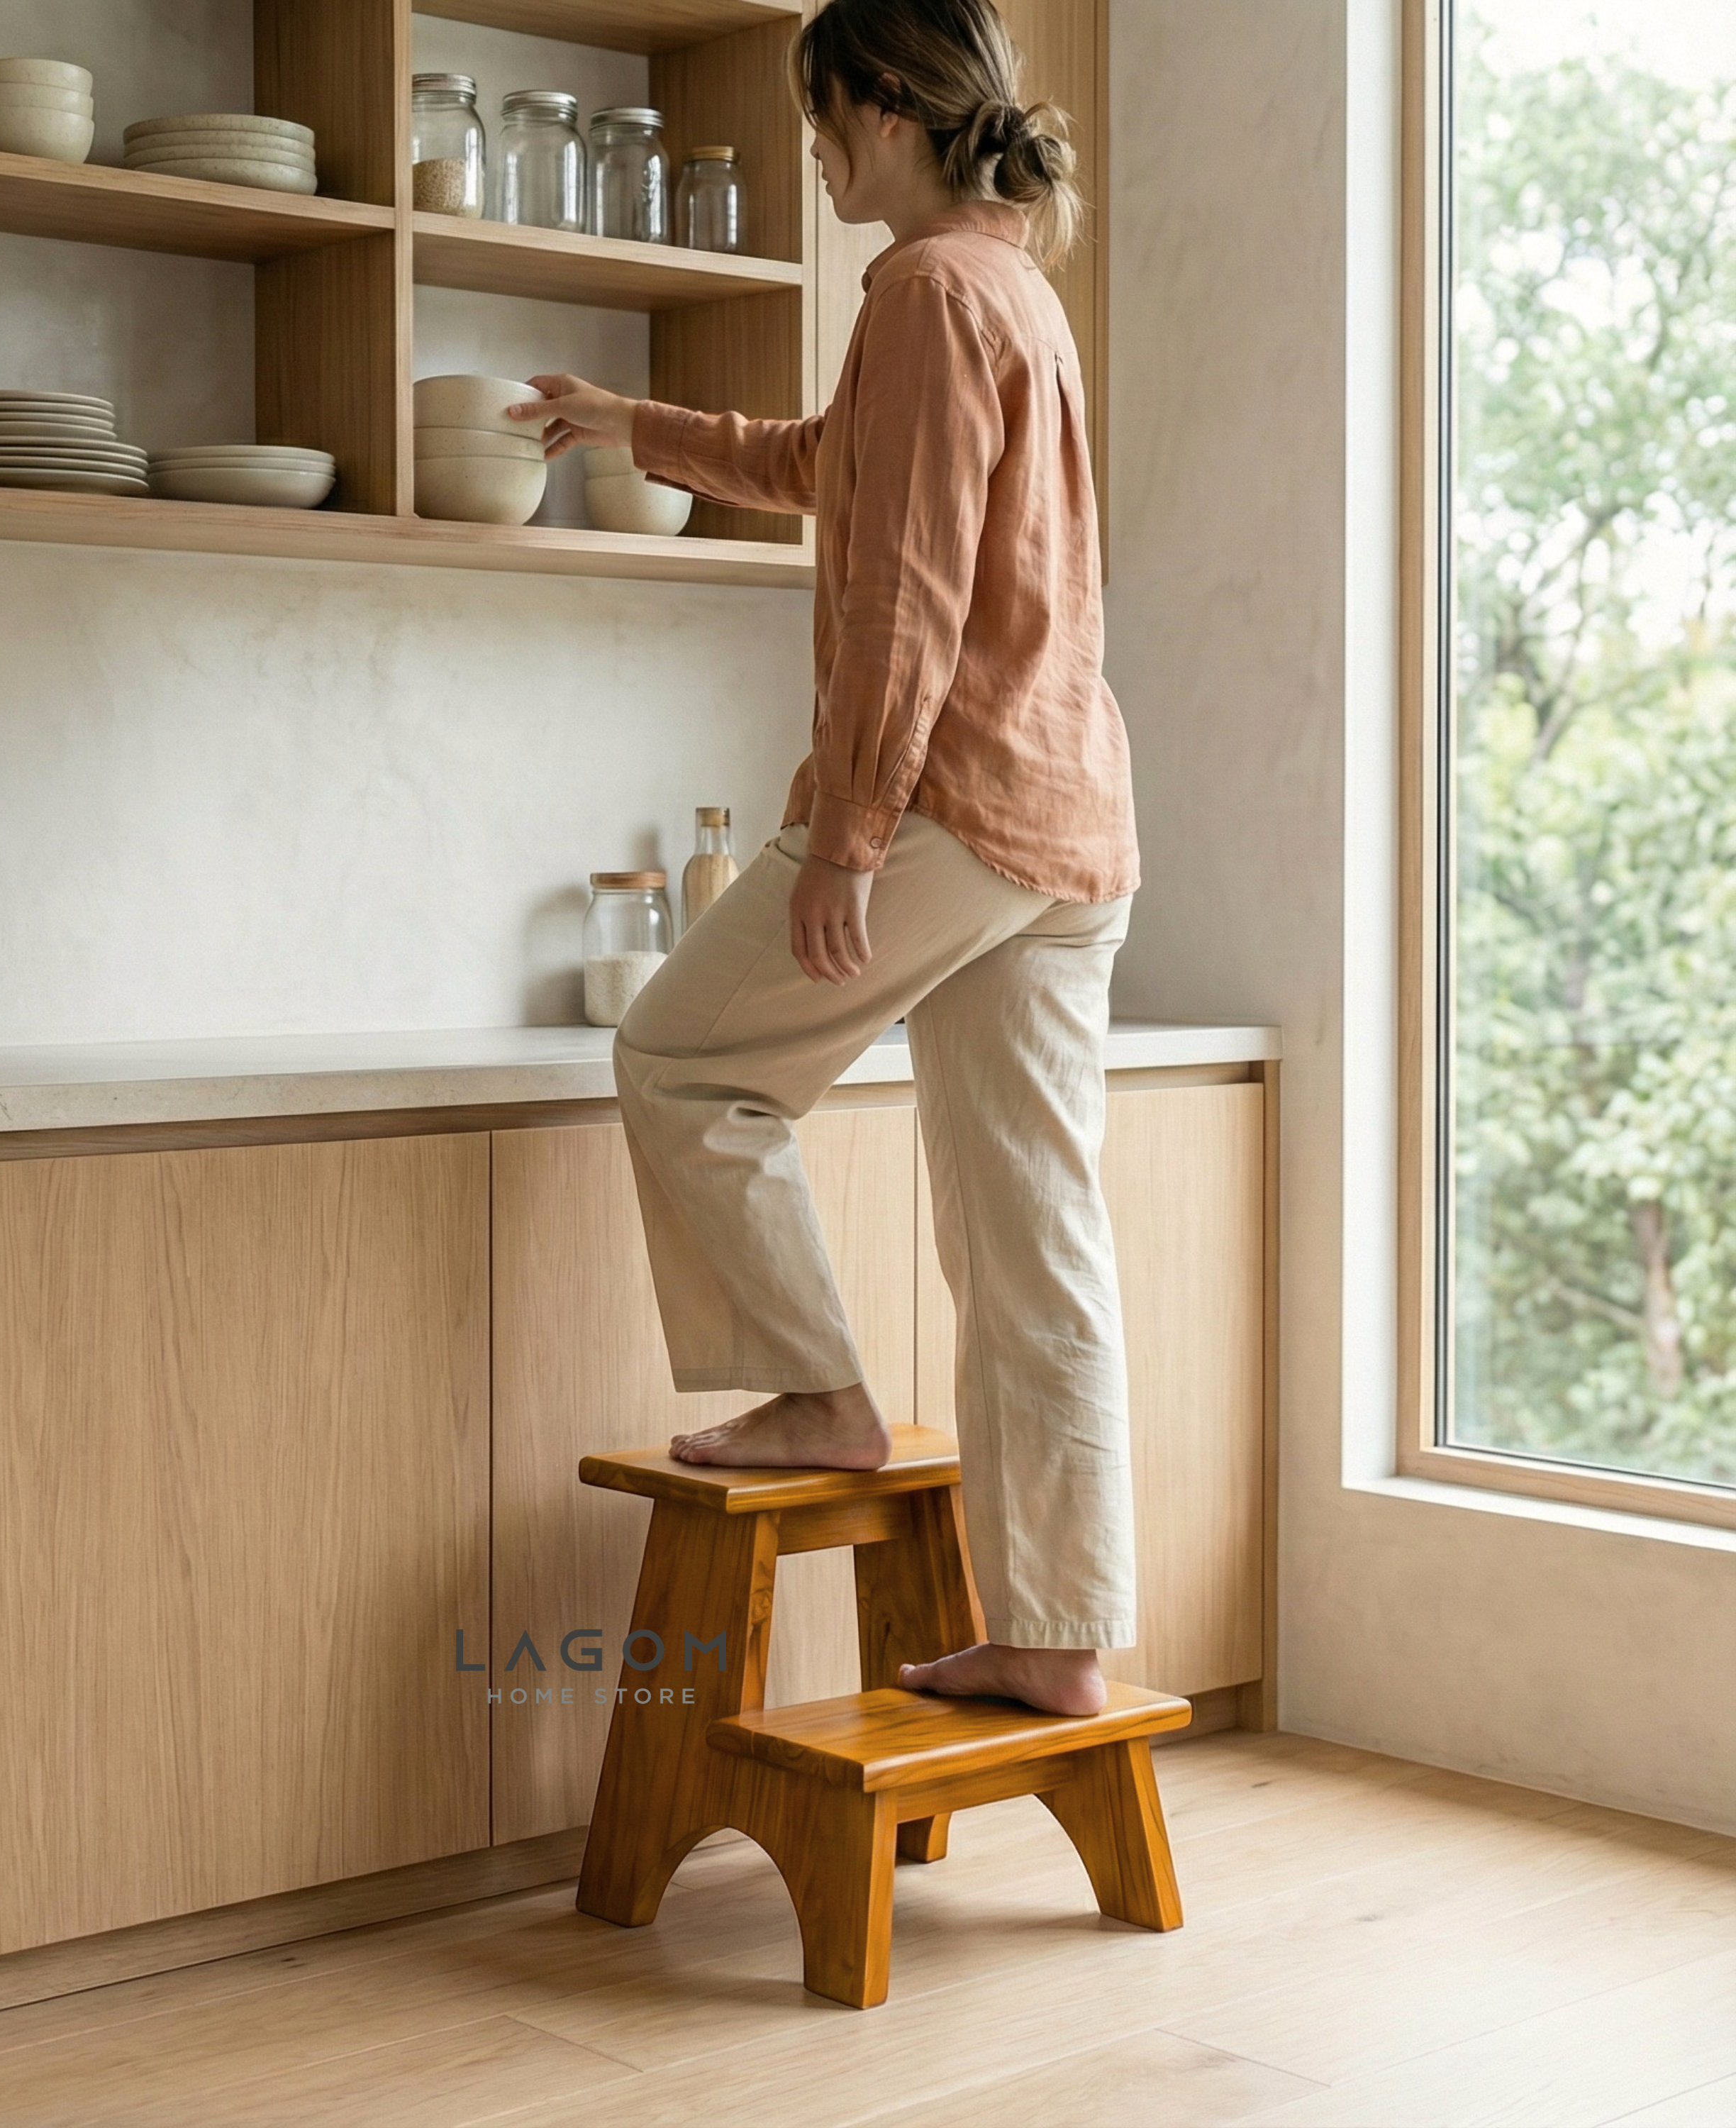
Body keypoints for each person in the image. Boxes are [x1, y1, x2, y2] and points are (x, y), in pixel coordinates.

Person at [518, 0, 1138, 1719]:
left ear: (882, 104)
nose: (810, 147)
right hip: (1068, 823)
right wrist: (634, 423)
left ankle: (813, 1393)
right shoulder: (1006, 288)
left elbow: (906, 595)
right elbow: (827, 475)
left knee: (680, 1057)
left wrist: (844, 838)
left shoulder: (933, 291)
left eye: (819, 114)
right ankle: (1062, 1638)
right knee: (1033, 1246)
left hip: (950, 803)